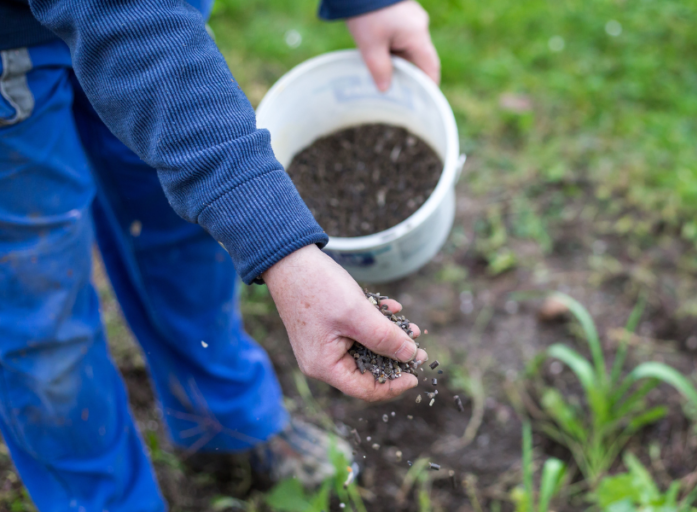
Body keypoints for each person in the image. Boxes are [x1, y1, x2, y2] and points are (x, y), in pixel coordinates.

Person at [0, 0, 440, 509]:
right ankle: (101, 497)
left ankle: (223, 420)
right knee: (40, 307)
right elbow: (128, 25)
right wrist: (285, 251)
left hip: (159, 18)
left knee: (180, 218)